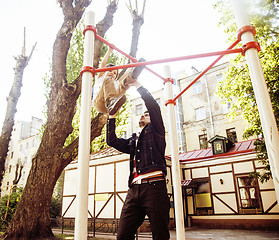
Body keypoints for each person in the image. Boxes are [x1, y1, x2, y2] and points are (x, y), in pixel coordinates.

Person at [106, 77, 170, 240]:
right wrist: (111, 117)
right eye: (143, 114)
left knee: (160, 236)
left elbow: (153, 107)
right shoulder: (134, 140)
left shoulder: (157, 131)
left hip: (155, 187)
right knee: (122, 236)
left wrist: (137, 85)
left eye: (147, 114)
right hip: (134, 191)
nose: (144, 114)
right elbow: (111, 140)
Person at [93, 47, 145, 115]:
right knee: (109, 78)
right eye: (110, 71)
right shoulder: (101, 77)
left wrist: (131, 65)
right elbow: (103, 64)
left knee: (124, 84)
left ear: (115, 77)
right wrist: (109, 51)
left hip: (109, 108)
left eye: (114, 73)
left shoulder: (115, 82)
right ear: (104, 71)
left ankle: (134, 75)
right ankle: (110, 101)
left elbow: (125, 75)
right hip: (99, 103)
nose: (112, 73)